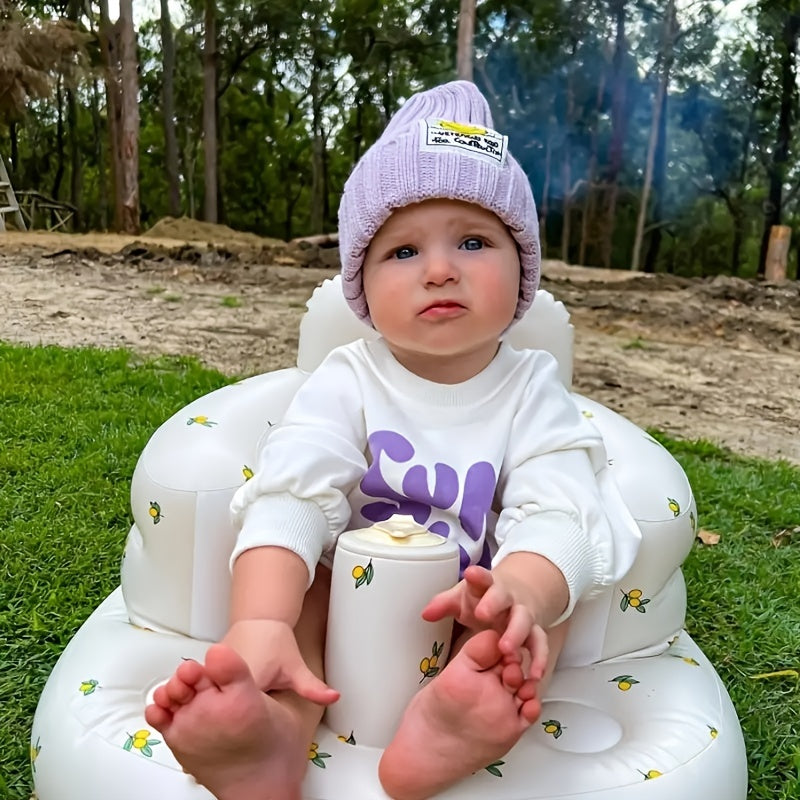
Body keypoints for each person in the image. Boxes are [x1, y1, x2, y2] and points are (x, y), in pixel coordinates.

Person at [144, 80, 641, 800]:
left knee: (536, 619)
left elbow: (563, 506)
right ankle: (274, 729)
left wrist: (521, 590)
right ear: (363, 288)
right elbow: (295, 490)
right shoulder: (347, 378)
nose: (440, 268)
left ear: (523, 271)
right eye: (403, 250)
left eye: (474, 241)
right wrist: (259, 619)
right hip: (349, 589)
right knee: (297, 574)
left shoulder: (533, 390)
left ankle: (453, 722)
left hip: (470, 599)